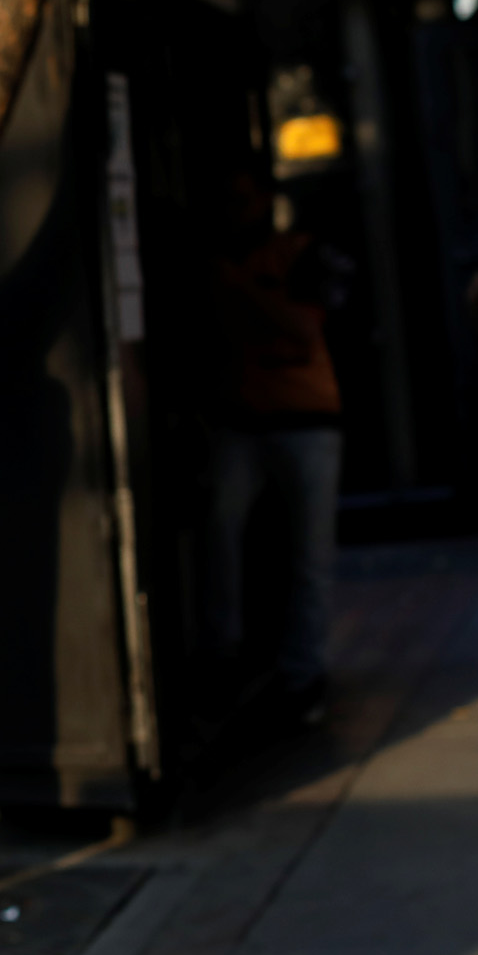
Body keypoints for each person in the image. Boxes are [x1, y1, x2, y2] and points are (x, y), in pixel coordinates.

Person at [206, 173, 343, 721]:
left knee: (310, 554)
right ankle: (225, 654)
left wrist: (239, 288)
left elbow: (305, 329)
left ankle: (302, 673)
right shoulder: (218, 261)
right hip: (240, 418)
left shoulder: (299, 254)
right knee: (221, 537)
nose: (236, 211)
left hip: (308, 418)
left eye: (242, 197)